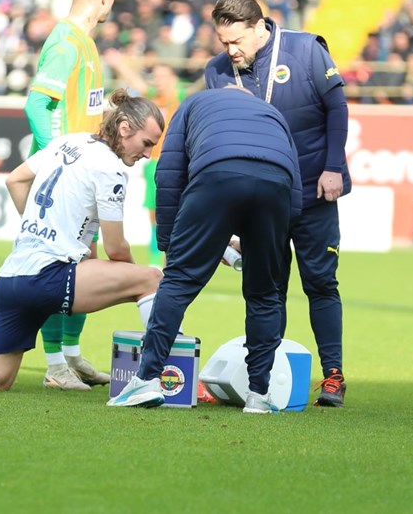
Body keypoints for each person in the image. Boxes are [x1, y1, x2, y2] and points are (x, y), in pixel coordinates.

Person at [0, 90, 165, 393]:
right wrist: (132, 276)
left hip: (12, 278)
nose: (147, 154)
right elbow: (116, 249)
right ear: (125, 127)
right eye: (146, 144)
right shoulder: (111, 168)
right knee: (152, 279)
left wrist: (38, 224)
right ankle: (164, 374)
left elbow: (15, 179)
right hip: (48, 275)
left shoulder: (68, 141)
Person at [107, 87, 302, 413]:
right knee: (265, 293)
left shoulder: (193, 103)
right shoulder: (272, 114)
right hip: (276, 185)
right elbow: (294, 186)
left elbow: (168, 177)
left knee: (179, 282)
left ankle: (146, 380)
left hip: (217, 174)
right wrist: (272, 242)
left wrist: (169, 243)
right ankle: (259, 395)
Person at [201, 0, 352, 407]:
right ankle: (263, 380)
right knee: (266, 288)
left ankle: (334, 375)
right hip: (257, 200)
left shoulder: (305, 49)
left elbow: (336, 108)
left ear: (258, 26)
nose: (230, 51)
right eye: (222, 41)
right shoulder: (217, 72)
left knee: (321, 282)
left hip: (313, 189)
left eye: (237, 41)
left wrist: (333, 166)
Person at [25, 0, 124, 391]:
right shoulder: (67, 42)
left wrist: (111, 110)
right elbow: (36, 105)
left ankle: (69, 355)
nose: (111, 7)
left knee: (85, 266)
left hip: (82, 175)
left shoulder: (84, 42)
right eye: (112, 0)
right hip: (64, 178)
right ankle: (54, 366)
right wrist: (56, 158)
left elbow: (79, 107)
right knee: (59, 269)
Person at [104, 54, 187, 269]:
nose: (157, 80)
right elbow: (137, 83)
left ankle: (171, 260)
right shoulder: (154, 97)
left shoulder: (179, 97)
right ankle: (155, 261)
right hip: (153, 163)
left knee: (171, 214)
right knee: (154, 214)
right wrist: (120, 64)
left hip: (172, 162)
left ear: (173, 78)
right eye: (155, 76)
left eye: (162, 76)